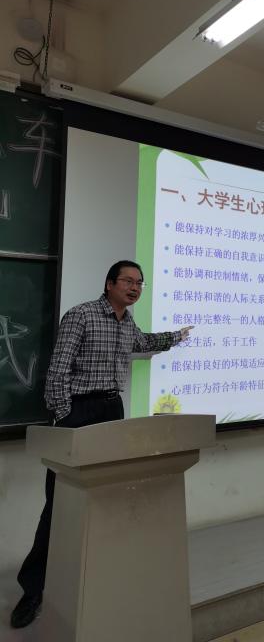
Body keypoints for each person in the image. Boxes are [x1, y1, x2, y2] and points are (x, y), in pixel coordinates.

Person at [10, 260, 191, 629]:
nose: (135, 287)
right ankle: (33, 590)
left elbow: (143, 343)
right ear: (109, 283)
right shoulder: (82, 315)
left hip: (112, 408)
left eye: (140, 283)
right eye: (128, 280)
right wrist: (63, 416)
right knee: (58, 503)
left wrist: (175, 337)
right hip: (78, 410)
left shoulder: (128, 324)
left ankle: (94, 577)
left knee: (108, 496)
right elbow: (58, 368)